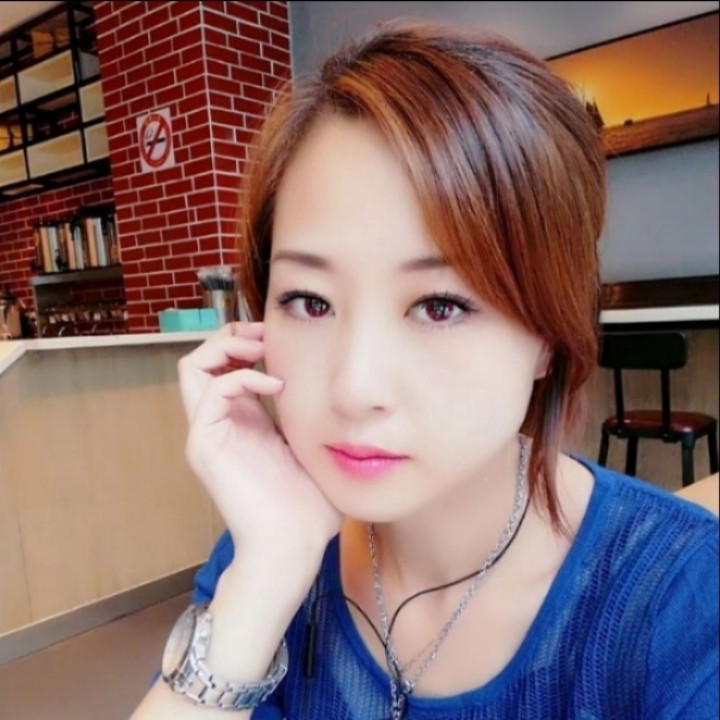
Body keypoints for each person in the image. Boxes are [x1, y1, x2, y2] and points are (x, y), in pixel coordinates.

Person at [131, 20, 719, 720]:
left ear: (548, 334)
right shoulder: (269, 546)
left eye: (440, 306)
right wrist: (266, 575)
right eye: (310, 301)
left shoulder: (681, 599)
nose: (355, 388)